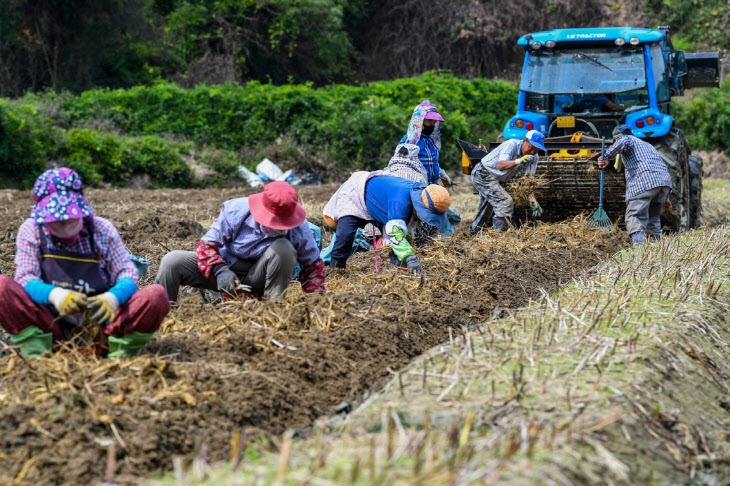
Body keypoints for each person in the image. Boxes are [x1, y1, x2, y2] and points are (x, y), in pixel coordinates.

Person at [0, 168, 169, 358]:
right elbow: (25, 277)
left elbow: (126, 272)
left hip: (103, 328)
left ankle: (119, 354)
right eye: (56, 217)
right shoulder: (31, 231)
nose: (64, 221)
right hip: (53, 329)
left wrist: (113, 298)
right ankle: (38, 355)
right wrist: (55, 295)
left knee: (156, 295)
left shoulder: (102, 230)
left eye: (70, 214)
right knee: (2, 287)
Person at [156, 181, 325, 302]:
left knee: (284, 248)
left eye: (282, 226)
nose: (277, 229)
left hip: (259, 277)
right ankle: (163, 312)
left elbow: (313, 267)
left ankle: (274, 305)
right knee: (172, 261)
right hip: (225, 272)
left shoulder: (299, 227)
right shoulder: (236, 211)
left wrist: (316, 302)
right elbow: (206, 245)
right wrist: (220, 270)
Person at [323, 171, 451, 272]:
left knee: (398, 238)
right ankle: (337, 270)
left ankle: (397, 268)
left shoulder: (419, 193)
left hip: (381, 201)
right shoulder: (400, 202)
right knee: (346, 235)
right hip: (356, 194)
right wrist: (411, 259)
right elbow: (395, 232)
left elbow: (402, 233)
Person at [598, 124, 672, 244]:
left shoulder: (626, 139)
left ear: (616, 138)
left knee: (634, 217)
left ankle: (639, 251)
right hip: (663, 184)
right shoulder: (647, 145)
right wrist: (667, 198)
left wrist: (605, 157)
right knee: (653, 220)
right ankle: (655, 250)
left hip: (644, 182)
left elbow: (623, 141)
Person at [469, 130, 546, 233]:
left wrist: (532, 199)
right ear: (524, 141)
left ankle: (474, 232)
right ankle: (500, 236)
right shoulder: (511, 144)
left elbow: (527, 180)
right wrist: (519, 161)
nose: (532, 152)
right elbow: (501, 166)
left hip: (497, 179)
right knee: (504, 202)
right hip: (483, 174)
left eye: (536, 150)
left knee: (486, 210)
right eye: (531, 148)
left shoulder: (534, 157)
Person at [400, 100, 453, 187]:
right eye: (429, 121)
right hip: (415, 185)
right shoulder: (411, 140)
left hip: (431, 184)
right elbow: (401, 163)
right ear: (420, 121)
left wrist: (441, 173)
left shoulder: (431, 141)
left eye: (434, 122)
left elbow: (432, 162)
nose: (432, 125)